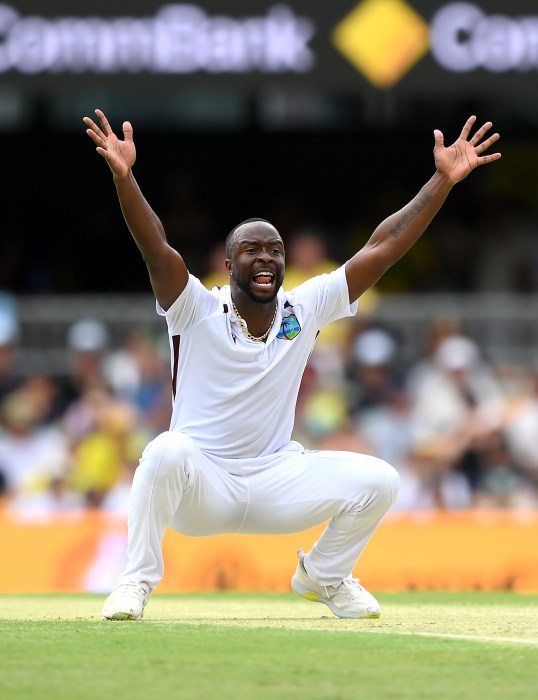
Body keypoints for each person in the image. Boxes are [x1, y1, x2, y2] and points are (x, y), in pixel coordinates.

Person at [83, 109, 501, 621]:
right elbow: (155, 248)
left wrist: (439, 182)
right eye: (252, 250)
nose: (266, 259)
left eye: (275, 251)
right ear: (229, 262)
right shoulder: (194, 307)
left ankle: (323, 575)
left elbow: (385, 246)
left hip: (276, 479)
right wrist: (125, 179)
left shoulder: (303, 310)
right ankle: (135, 583)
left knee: (380, 480)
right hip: (202, 486)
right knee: (165, 450)